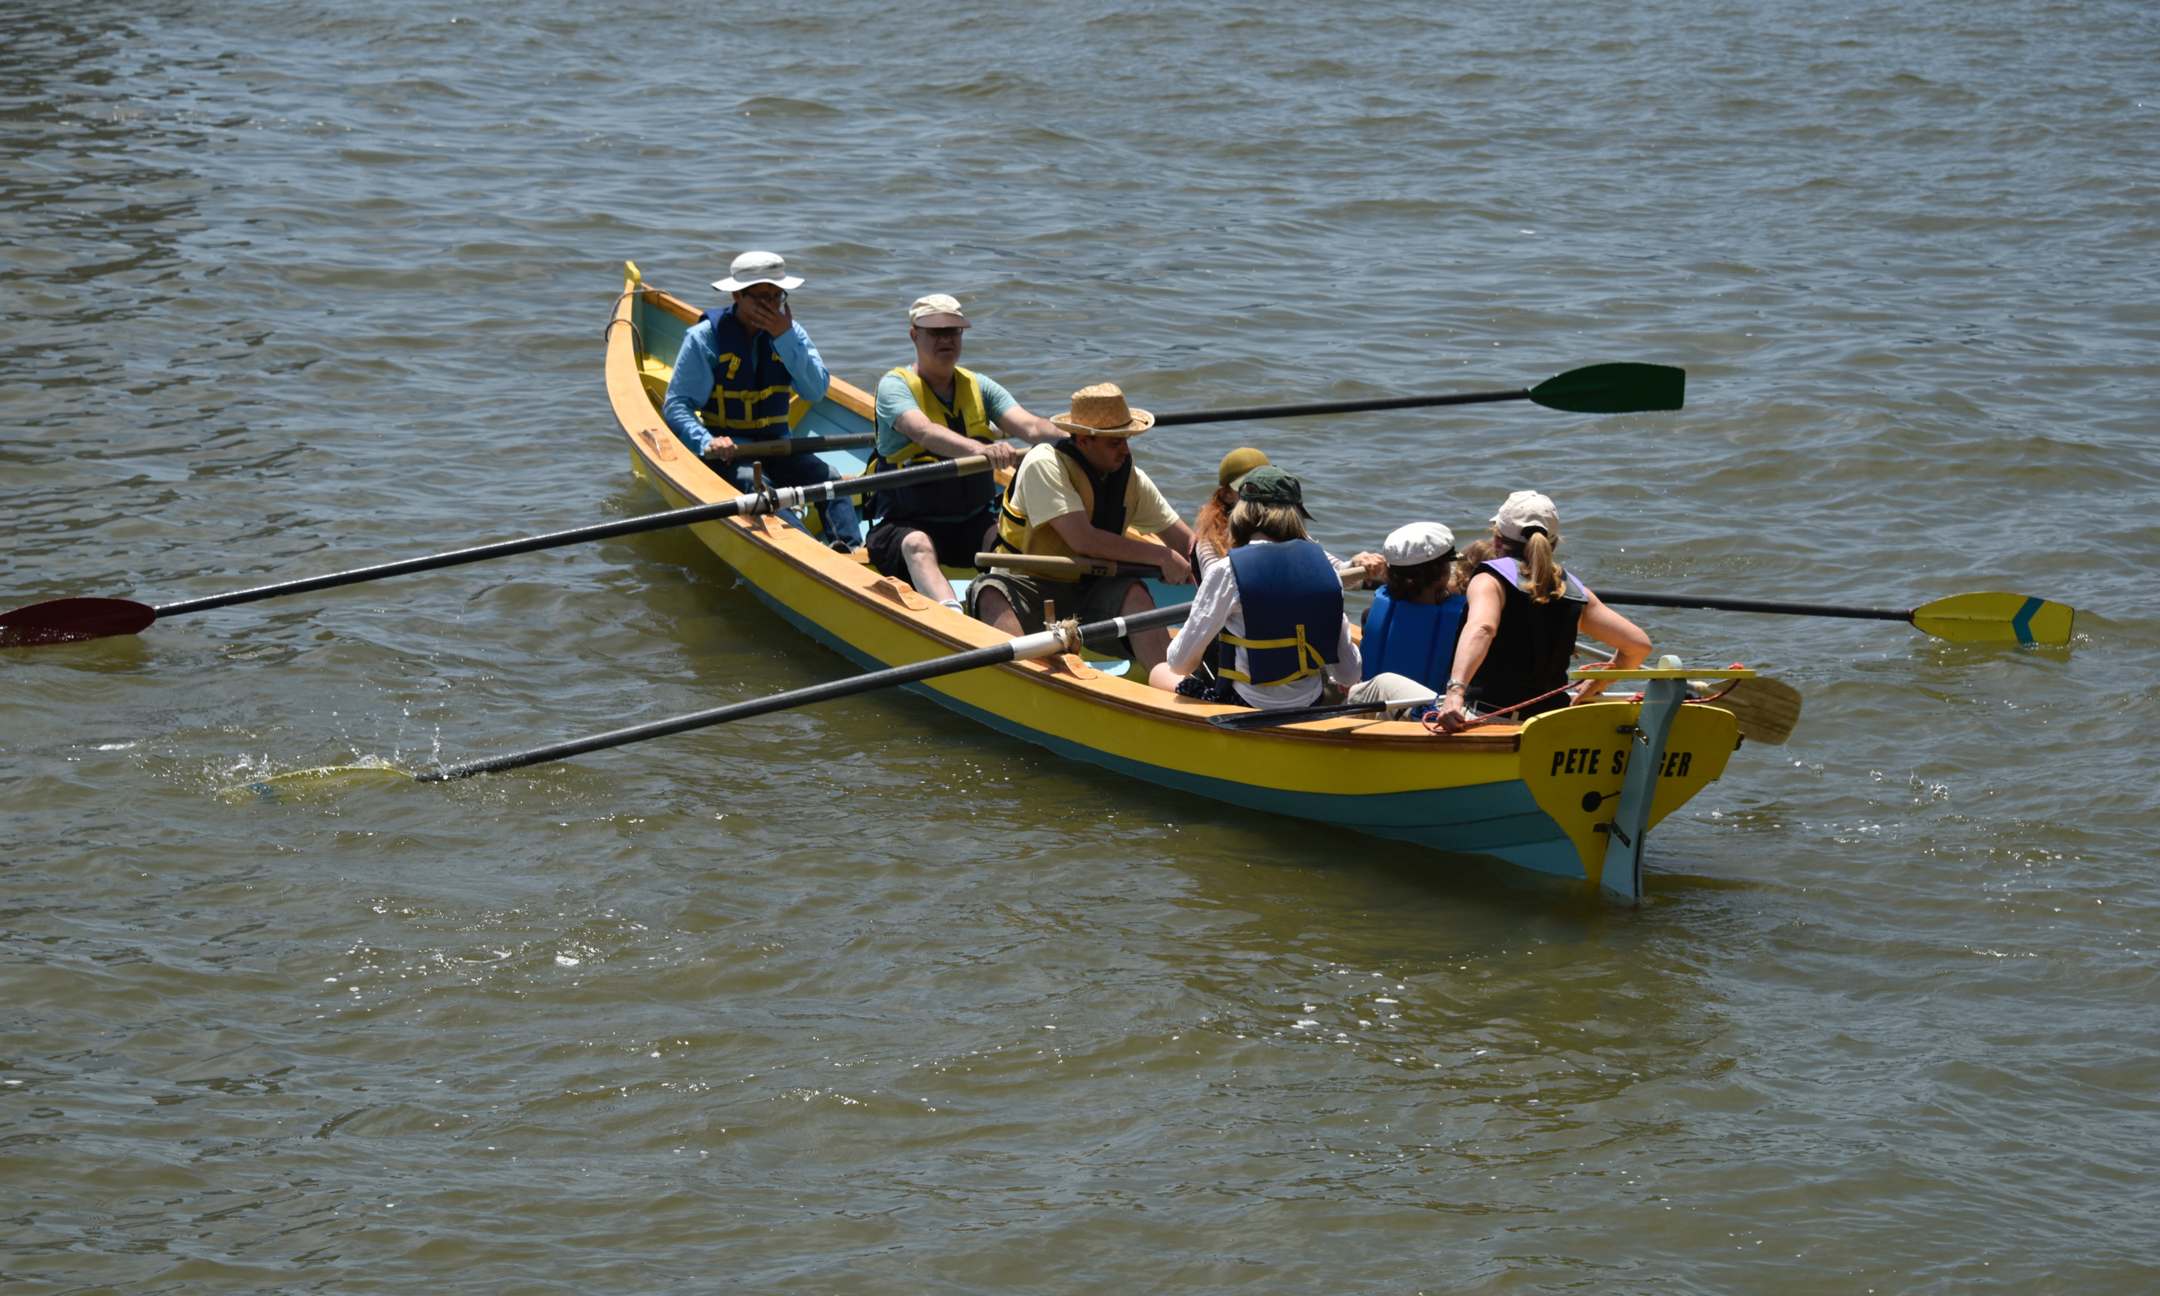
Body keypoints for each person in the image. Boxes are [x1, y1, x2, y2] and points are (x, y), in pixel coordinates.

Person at [1149, 468, 1425, 712]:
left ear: (1243, 513)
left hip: (1243, 708)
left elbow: (1179, 662)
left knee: (1160, 671)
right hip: (1309, 705)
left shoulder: (1227, 570)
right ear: (1296, 514)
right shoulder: (1326, 569)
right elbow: (1349, 673)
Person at [862, 294, 1065, 612]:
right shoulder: (894, 386)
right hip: (903, 523)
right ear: (915, 335)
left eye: (953, 331)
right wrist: (982, 450)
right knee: (918, 545)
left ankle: (1024, 613)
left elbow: (1032, 427)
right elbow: (922, 431)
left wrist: (1078, 435)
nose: (946, 339)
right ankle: (951, 617)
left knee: (1006, 540)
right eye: (935, 332)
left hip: (970, 520)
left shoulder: (979, 386)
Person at [976, 383, 1197, 672]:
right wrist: (1162, 556)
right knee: (989, 591)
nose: (1125, 449)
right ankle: (1024, 681)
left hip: (1089, 588)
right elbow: (1084, 541)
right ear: (1083, 440)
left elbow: (1186, 541)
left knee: (1134, 593)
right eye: (1114, 442)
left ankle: (1173, 682)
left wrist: (1228, 570)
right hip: (1027, 583)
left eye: (1126, 438)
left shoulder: (1130, 479)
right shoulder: (1044, 463)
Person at [659, 250, 862, 549]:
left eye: (777, 297)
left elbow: (816, 391)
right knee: (760, 491)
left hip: (779, 447)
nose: (771, 307)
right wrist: (707, 442)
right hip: (731, 454)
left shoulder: (792, 334)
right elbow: (677, 406)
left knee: (829, 477)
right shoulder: (704, 339)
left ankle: (850, 548)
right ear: (739, 295)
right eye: (762, 298)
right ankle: (808, 552)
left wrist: (786, 339)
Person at [1432, 491, 1652, 732]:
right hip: (1550, 723)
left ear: (1497, 540)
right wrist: (1599, 681)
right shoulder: (1575, 592)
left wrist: (1455, 692)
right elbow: (1638, 646)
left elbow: (1483, 628)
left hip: (1488, 718)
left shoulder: (1489, 578)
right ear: (1553, 544)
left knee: (1384, 684)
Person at [1352, 522, 1468, 696]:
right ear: (1440, 569)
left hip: (1377, 708)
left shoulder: (1371, 615)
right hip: (1431, 717)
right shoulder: (1463, 622)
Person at [1190, 447, 1269, 577]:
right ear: (1227, 495)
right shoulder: (1210, 540)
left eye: (1266, 486)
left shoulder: (1287, 528)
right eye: (1249, 490)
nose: (1260, 496)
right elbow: (1216, 583)